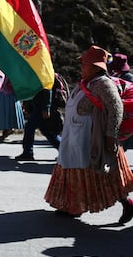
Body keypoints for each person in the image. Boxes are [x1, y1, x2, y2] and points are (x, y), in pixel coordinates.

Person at [44, 45, 133, 223]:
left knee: (104, 178)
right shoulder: (87, 83)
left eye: (84, 64)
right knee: (78, 172)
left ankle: (127, 203)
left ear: (96, 66)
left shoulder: (103, 83)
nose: (81, 67)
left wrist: (110, 136)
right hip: (76, 136)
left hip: (93, 139)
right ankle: (73, 206)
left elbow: (116, 109)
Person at [15, 86, 61, 161]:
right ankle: (66, 151)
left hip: (41, 107)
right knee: (46, 131)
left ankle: (27, 153)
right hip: (38, 105)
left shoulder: (44, 75)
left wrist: (46, 108)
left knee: (30, 128)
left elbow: (48, 89)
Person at [0, 77, 25, 141]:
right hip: (9, 93)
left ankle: (7, 131)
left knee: (4, 114)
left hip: (4, 93)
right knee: (7, 114)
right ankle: (7, 131)